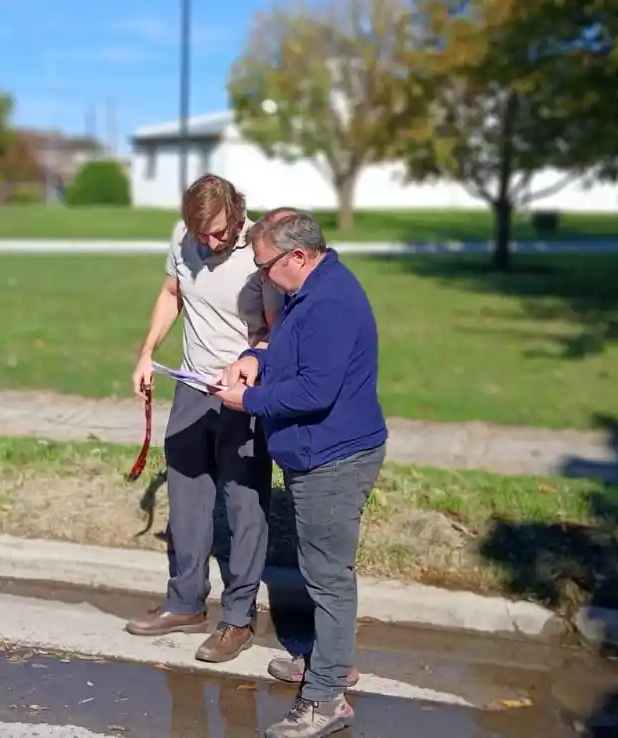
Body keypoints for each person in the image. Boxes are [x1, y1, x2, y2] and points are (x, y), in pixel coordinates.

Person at [217, 211, 388, 738]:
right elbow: (291, 356)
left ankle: (326, 698)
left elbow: (315, 391)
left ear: (297, 255)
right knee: (322, 569)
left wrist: (248, 400)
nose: (262, 275)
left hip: (333, 457)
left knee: (328, 577)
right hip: (319, 451)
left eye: (265, 265)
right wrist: (254, 360)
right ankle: (330, 663)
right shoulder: (309, 290)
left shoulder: (329, 303)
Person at [126, 174, 283, 664]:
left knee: (243, 505)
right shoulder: (184, 237)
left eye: (218, 233)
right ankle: (185, 602)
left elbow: (276, 330)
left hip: (242, 393)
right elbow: (171, 293)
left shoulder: (260, 252)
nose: (210, 244)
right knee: (187, 498)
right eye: (201, 235)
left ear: (236, 213)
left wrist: (248, 369)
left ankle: (238, 619)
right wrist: (147, 353)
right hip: (191, 387)